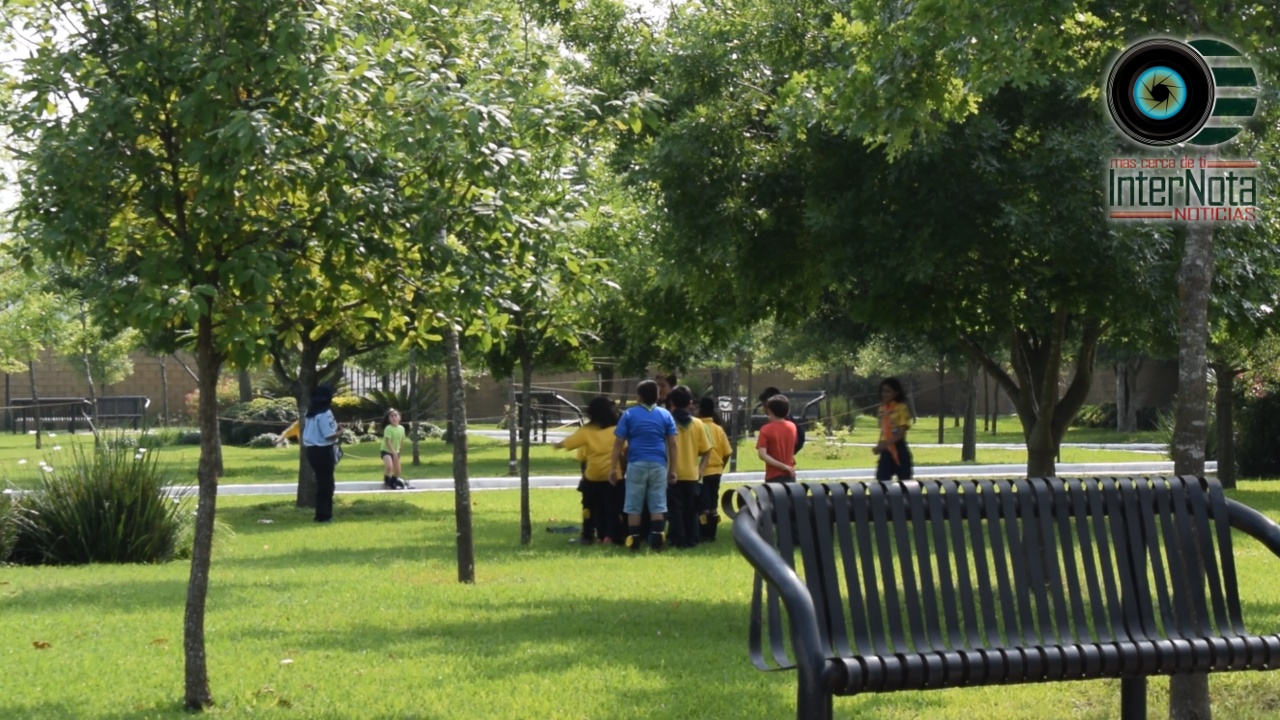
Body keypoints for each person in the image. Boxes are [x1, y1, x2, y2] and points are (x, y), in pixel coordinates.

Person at [610, 380, 678, 551]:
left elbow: (619, 442)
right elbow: (673, 444)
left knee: (634, 504)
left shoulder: (629, 415)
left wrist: (613, 467)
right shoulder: (665, 415)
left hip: (636, 463)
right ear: (657, 396)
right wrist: (673, 469)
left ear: (639, 396)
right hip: (658, 464)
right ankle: (656, 542)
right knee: (658, 504)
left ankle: (634, 542)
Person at [557, 397, 624, 545]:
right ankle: (612, 536)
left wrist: (558, 445)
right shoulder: (617, 430)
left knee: (589, 508)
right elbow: (626, 450)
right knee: (613, 508)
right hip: (614, 478)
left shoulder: (586, 431)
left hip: (592, 477)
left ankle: (588, 535)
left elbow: (573, 446)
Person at [666, 386, 712, 548]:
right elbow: (707, 450)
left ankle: (677, 539)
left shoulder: (667, 422)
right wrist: (701, 469)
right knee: (692, 510)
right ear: (690, 403)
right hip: (692, 474)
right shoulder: (698, 424)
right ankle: (692, 539)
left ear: (671, 402)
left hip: (672, 473)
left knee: (675, 510)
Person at [696, 396, 734, 541]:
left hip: (702, 472)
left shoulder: (697, 427)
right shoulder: (719, 429)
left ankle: (703, 533)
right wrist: (721, 466)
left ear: (700, 410)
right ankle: (712, 533)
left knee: (703, 505)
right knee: (713, 503)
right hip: (716, 471)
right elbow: (727, 452)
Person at [302, 384, 341, 522]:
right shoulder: (325, 413)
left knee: (321, 482)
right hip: (323, 450)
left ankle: (321, 514)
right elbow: (328, 435)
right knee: (327, 484)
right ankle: (324, 515)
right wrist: (340, 432)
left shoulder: (310, 412)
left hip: (311, 451)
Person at [873, 377, 914, 480]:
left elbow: (901, 434)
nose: (884, 394)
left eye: (888, 391)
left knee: (905, 481)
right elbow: (883, 430)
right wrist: (879, 445)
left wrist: (884, 444)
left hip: (899, 448)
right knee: (882, 479)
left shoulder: (901, 408)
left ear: (896, 393)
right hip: (886, 451)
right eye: (883, 391)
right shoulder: (882, 409)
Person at [756, 394, 797, 483]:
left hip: (773, 475)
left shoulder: (765, 429)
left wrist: (782, 466)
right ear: (787, 411)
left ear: (769, 411)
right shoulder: (792, 426)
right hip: (790, 473)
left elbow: (762, 455)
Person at [758, 386, 807, 455]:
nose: (763, 410)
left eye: (764, 406)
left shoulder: (769, 428)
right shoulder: (789, 422)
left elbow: (763, 454)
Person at [380, 409, 408, 490]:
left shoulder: (401, 428)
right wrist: (393, 452)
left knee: (397, 471)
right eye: (392, 416)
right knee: (389, 466)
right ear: (389, 419)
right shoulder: (388, 428)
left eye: (396, 416)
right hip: (386, 451)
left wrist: (399, 451)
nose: (394, 418)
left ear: (399, 418)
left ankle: (392, 483)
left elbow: (402, 440)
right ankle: (387, 480)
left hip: (396, 452)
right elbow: (387, 442)